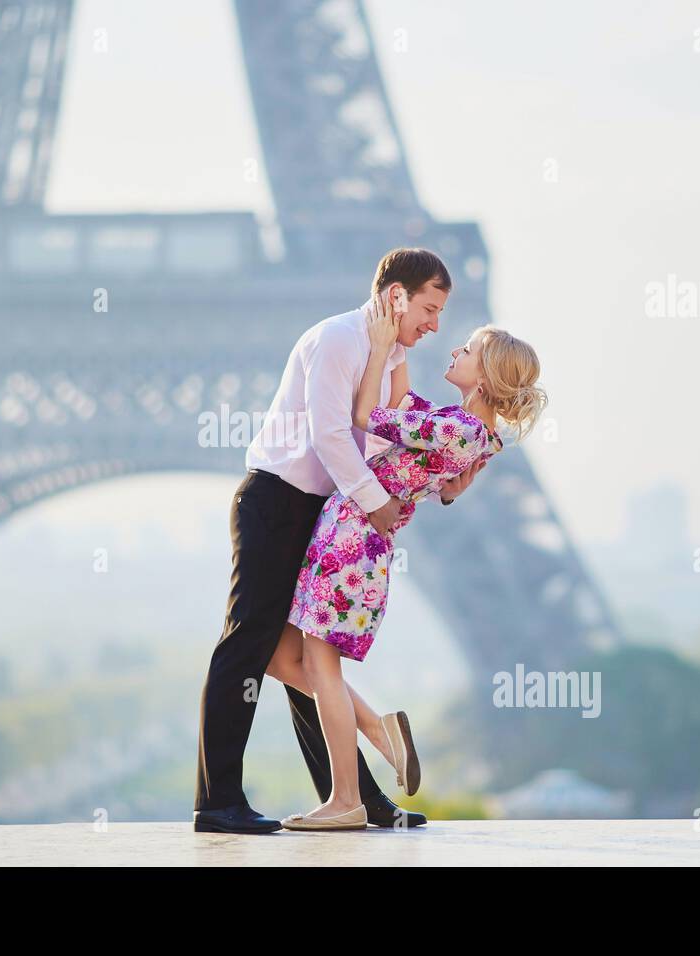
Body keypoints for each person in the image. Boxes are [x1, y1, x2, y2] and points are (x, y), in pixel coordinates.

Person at [193, 248, 485, 834]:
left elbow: (390, 437)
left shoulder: (389, 355)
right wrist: (377, 503)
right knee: (248, 645)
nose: (435, 325)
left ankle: (356, 796)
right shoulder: (336, 340)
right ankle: (218, 801)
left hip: (323, 510)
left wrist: (441, 486)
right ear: (395, 295)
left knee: (304, 658)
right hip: (277, 502)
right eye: (429, 308)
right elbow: (331, 433)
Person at [272, 291, 548, 830]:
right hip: (356, 535)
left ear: (486, 376)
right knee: (282, 659)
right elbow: (399, 408)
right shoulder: (468, 429)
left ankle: (346, 799)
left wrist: (378, 348)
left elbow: (365, 415)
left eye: (466, 350)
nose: (453, 352)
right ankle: (378, 732)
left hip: (352, 535)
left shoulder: (457, 429)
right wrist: (398, 344)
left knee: (318, 664)